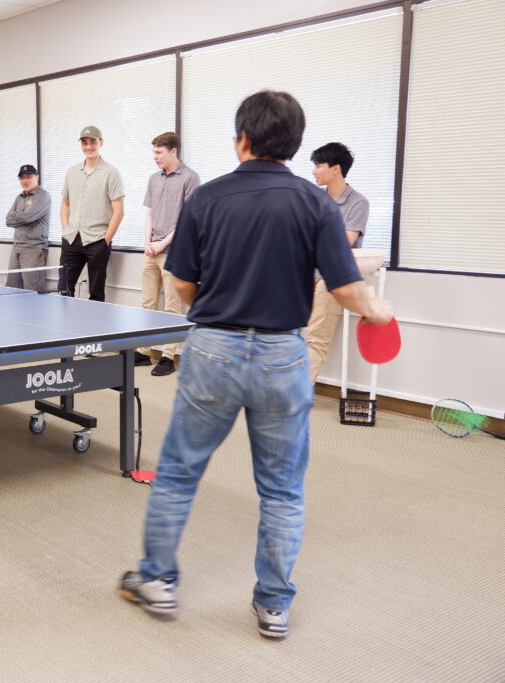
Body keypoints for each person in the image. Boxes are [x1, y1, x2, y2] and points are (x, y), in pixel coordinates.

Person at [118, 91, 392, 638]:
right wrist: (377, 310)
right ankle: (272, 605)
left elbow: (183, 283)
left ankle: (157, 581)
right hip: (281, 356)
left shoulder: (209, 198)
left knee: (177, 473)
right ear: (292, 145)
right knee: (283, 489)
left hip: (213, 348)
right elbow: (345, 288)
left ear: (242, 138)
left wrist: (220, 314)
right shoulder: (317, 204)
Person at [135, 133, 201, 376]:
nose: (155, 157)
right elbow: (149, 214)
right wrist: (148, 243)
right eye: (153, 152)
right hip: (150, 250)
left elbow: (187, 219)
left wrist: (163, 243)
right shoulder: (154, 178)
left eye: (158, 152)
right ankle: (143, 351)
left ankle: (168, 356)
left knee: (172, 307)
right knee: (147, 305)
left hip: (174, 251)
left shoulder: (190, 178)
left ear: (173, 151)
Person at [306, 142, 371, 383]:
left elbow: (344, 242)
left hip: (331, 277)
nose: (314, 171)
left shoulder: (358, 203)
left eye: (318, 165)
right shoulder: (312, 199)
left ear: (336, 169)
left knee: (316, 337)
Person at [60, 126, 124, 302]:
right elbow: (65, 203)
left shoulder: (111, 173)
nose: (88, 146)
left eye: (93, 142)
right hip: (72, 239)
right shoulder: (72, 172)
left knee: (96, 294)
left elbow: (119, 211)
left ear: (101, 142)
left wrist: (106, 240)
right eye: (84, 142)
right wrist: (66, 229)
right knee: (63, 289)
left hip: (97, 241)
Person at [5, 164, 51, 291]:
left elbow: (28, 217)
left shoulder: (43, 196)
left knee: (32, 292)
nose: (25, 181)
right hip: (16, 248)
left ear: (37, 178)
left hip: (34, 249)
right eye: (22, 178)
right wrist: (23, 216)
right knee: (11, 289)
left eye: (28, 177)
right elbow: (8, 220)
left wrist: (19, 216)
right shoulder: (19, 197)